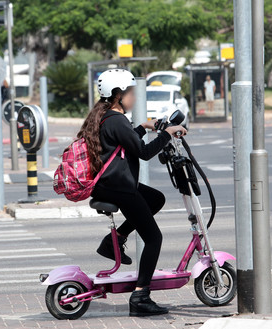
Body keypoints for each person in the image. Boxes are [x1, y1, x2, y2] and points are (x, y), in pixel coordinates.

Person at [78, 69, 187, 317]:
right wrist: (166, 134)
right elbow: (144, 152)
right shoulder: (116, 120)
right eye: (132, 93)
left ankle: (114, 240)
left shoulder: (108, 118)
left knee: (156, 199)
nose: (135, 97)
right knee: (154, 238)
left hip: (113, 184)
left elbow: (121, 143)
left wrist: (143, 126)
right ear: (118, 95)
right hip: (119, 188)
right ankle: (140, 296)